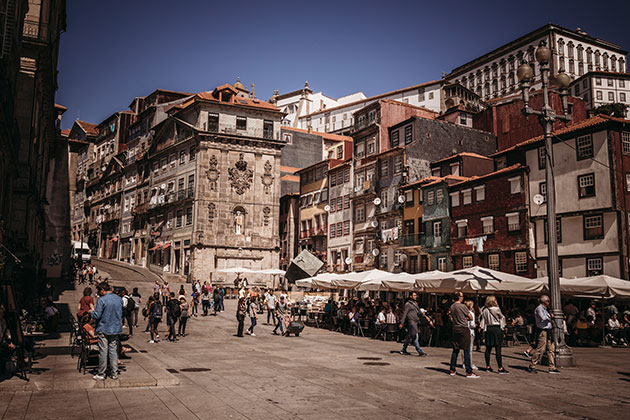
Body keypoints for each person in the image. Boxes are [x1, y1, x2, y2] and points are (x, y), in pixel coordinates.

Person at [90, 281, 123, 380]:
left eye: (99, 291)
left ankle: (101, 373)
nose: (98, 293)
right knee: (113, 350)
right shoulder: (119, 299)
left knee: (103, 351)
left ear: (103, 290)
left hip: (103, 328)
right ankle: (114, 373)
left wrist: (91, 312)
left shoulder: (102, 300)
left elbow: (97, 315)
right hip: (115, 328)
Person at [449, 291, 478, 378]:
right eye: (462, 296)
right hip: (463, 329)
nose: (463, 298)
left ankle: (452, 369)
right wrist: (464, 319)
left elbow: (451, 317)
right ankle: (469, 371)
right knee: (466, 350)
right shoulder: (463, 306)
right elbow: (471, 317)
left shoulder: (452, 306)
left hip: (455, 328)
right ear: (459, 297)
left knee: (455, 350)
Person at [529, 295, 560, 374]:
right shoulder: (539, 309)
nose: (549, 303)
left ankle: (552, 367)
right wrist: (550, 316)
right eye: (548, 301)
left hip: (548, 330)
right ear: (544, 301)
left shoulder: (546, 309)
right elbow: (542, 317)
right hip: (542, 330)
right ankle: (532, 365)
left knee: (550, 349)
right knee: (540, 349)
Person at [480, 296, 508, 374]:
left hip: (488, 329)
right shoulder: (496, 309)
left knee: (488, 348)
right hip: (496, 329)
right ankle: (500, 367)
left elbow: (483, 321)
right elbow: (502, 317)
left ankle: (488, 366)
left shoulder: (485, 310)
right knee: (498, 348)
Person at [399, 292, 427, 356]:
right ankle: (420, 351)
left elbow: (418, 312)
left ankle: (403, 349)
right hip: (411, 322)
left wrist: (424, 316)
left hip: (416, 322)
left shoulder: (415, 303)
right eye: (414, 295)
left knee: (410, 336)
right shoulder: (408, 304)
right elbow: (405, 313)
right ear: (411, 296)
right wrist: (402, 322)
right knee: (415, 336)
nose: (415, 296)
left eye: (416, 295)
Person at [461, 300, 478, 371]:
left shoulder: (462, 313)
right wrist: (476, 325)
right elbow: (472, 325)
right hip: (470, 332)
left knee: (463, 349)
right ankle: (470, 363)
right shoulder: (471, 313)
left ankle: (464, 363)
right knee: (470, 349)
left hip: (463, 331)